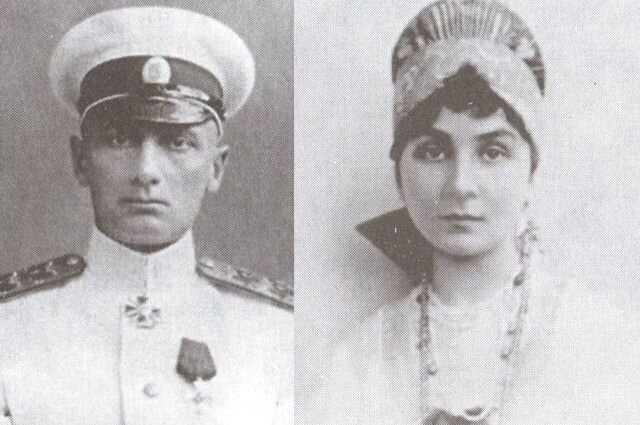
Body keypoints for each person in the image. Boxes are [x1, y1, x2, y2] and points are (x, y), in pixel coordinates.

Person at [310, 1, 640, 424]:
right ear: (399, 176)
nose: (461, 184)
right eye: (433, 151)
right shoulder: (360, 362)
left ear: (530, 172)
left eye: (492, 152)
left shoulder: (602, 342)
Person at [0, 7, 292, 425]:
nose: (146, 171)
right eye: (119, 139)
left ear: (216, 167)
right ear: (81, 161)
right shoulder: (10, 329)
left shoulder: (278, 335)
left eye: (177, 142)